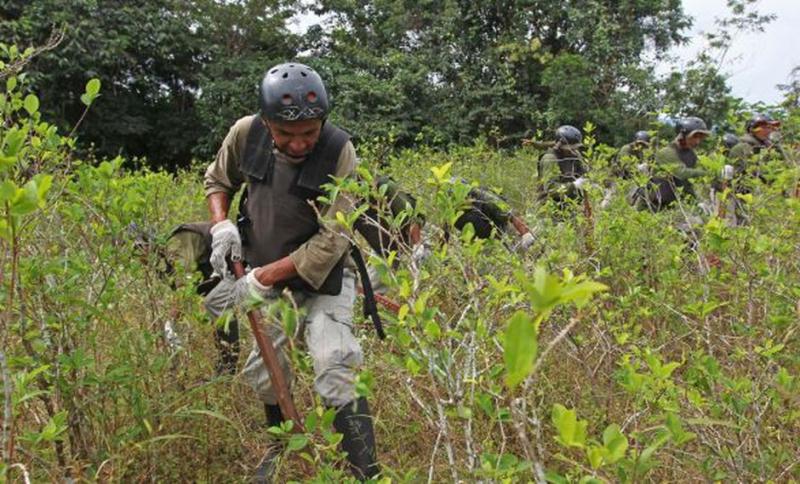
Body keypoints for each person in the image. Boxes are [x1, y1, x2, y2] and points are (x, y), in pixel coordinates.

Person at [202, 62, 378, 481]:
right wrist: (222, 225)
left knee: (334, 362)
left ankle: (365, 471)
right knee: (266, 370)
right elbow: (217, 181)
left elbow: (334, 237)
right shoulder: (246, 133)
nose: (299, 144)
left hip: (324, 277)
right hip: (263, 272)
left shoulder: (339, 150)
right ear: (267, 122)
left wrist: (263, 278)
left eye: (308, 134)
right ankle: (279, 447)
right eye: (286, 135)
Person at [639, 117, 732, 212]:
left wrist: (696, 203)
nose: (697, 142)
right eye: (694, 137)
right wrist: (712, 172)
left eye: (700, 138)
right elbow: (681, 173)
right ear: (682, 135)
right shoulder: (666, 152)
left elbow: (686, 184)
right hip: (651, 206)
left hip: (670, 207)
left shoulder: (691, 155)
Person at [537, 125, 589, 208]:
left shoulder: (575, 155)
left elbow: (583, 173)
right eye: (571, 148)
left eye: (575, 148)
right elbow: (551, 190)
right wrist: (574, 186)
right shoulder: (550, 158)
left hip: (572, 203)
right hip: (550, 206)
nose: (574, 151)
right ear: (560, 146)